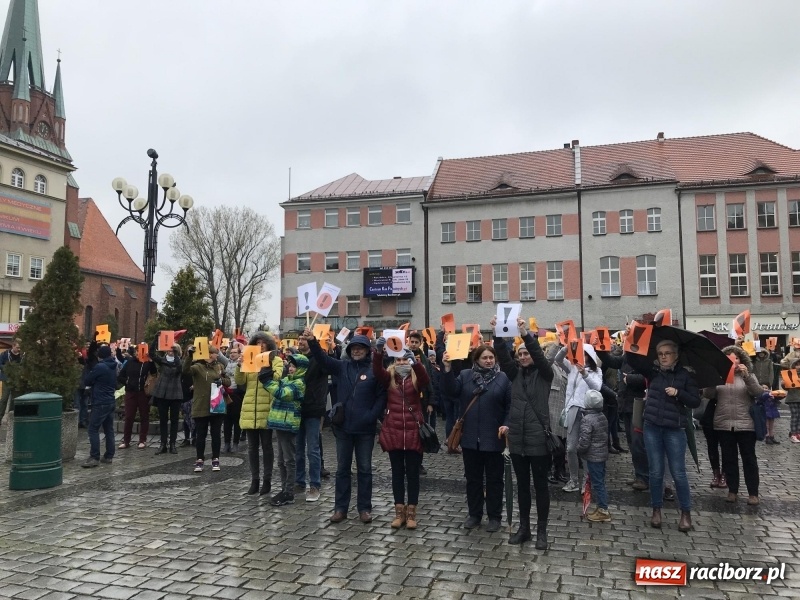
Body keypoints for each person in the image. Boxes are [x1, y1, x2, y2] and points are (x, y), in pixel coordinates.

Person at [305, 328, 386, 524]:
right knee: (342, 469)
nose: (357, 351)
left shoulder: (374, 370)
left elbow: (382, 396)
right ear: (349, 350)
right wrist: (313, 342)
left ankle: (364, 509)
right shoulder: (342, 367)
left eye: (361, 348)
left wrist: (371, 416)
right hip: (343, 428)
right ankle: (340, 508)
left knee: (365, 469)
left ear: (368, 350)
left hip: (365, 429)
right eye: (354, 348)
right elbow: (323, 359)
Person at [494, 317, 553, 548]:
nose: (522, 356)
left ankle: (542, 532)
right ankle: (524, 528)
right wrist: (499, 333)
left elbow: (539, 355)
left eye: (525, 353)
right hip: (518, 439)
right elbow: (502, 353)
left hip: (539, 439)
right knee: (522, 487)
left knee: (541, 486)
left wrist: (526, 335)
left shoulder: (545, 373)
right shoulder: (514, 374)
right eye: (519, 354)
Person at [629, 340, 700, 532]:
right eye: (660, 353)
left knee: (678, 472)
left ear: (676, 355)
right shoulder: (653, 373)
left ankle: (685, 513)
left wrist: (678, 393)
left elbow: (695, 401)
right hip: (652, 427)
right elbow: (632, 360)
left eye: (668, 353)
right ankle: (656, 510)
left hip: (674, 429)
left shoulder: (685, 375)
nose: (663, 356)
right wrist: (632, 340)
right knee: (655, 471)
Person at [442, 343, 511, 533]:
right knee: (473, 479)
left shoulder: (503, 378)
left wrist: (507, 424)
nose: (488, 361)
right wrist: (447, 369)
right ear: (476, 360)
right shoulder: (465, 376)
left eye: (491, 357)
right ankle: (475, 514)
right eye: (484, 358)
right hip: (471, 438)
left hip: (493, 438)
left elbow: (509, 406)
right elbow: (450, 392)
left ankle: (495, 516)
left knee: (495, 480)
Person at [373, 342, 430, 530]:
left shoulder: (415, 376)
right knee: (397, 473)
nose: (402, 362)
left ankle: (412, 513)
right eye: (399, 359)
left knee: (413, 474)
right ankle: (399, 512)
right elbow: (376, 371)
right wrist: (378, 352)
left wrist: (416, 364)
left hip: (414, 430)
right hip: (394, 431)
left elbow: (425, 381)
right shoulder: (389, 376)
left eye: (405, 359)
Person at [704, 345, 763, 505]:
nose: (733, 360)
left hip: (745, 424)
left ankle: (753, 493)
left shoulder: (748, 375)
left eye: (736, 357)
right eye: (729, 358)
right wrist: (711, 379)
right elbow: (708, 395)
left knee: (749, 459)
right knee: (729, 459)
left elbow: (758, 393)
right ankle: (732, 490)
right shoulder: (720, 376)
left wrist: (747, 377)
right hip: (723, 424)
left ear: (741, 360)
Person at [237, 332, 283, 495]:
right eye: (257, 342)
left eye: (264, 342)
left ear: (269, 344)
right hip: (250, 408)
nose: (261, 345)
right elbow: (241, 382)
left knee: (267, 446)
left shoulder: (275, 360)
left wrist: (266, 366)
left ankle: (267, 480)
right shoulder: (250, 360)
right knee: (251, 448)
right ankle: (254, 480)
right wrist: (240, 366)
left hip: (267, 407)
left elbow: (277, 378)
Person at [555, 343, 603, 493]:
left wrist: (585, 374)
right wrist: (565, 347)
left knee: (586, 449)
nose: (582, 357)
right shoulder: (572, 367)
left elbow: (597, 388)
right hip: (572, 410)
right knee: (570, 448)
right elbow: (558, 359)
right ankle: (573, 479)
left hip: (588, 412)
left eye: (585, 354)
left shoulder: (596, 371)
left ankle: (587, 482)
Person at [261, 353, 308, 506]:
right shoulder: (286, 380)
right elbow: (277, 387)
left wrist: (267, 382)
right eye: (290, 366)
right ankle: (284, 489)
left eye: (295, 366)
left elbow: (283, 394)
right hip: (279, 422)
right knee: (281, 461)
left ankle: (289, 491)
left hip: (288, 424)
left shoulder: (300, 383)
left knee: (289, 460)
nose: (291, 369)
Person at [184, 344, 230, 473]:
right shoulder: (197, 368)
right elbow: (185, 371)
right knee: (201, 435)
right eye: (216, 353)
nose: (217, 355)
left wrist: (222, 380)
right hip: (201, 405)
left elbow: (228, 381)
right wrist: (189, 356)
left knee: (216, 435)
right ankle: (199, 460)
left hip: (217, 405)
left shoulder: (219, 367)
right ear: (210, 354)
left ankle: (215, 459)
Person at [294, 335, 327, 503]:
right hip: (297, 408)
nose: (300, 342)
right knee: (298, 449)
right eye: (299, 339)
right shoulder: (295, 359)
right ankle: (299, 482)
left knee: (312, 449)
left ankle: (315, 485)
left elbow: (327, 362)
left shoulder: (318, 359)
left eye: (303, 340)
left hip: (313, 409)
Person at [82, 345, 118, 468]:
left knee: (93, 429)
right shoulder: (114, 365)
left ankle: (94, 457)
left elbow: (87, 380)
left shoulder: (100, 367)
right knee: (109, 429)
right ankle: (109, 455)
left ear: (101, 355)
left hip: (100, 401)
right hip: (110, 400)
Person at [578, 390, 611, 522]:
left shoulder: (587, 419)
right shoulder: (602, 416)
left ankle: (603, 509)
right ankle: (601, 507)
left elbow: (585, 440)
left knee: (597, 483)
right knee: (600, 481)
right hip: (602, 455)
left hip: (593, 457)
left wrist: (578, 449)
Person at [117, 345, 157, 450]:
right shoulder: (130, 362)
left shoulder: (147, 363)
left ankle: (142, 440)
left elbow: (154, 373)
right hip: (131, 392)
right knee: (129, 416)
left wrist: (151, 360)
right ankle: (126, 441)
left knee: (144, 415)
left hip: (142, 392)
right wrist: (127, 383)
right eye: (139, 351)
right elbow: (121, 376)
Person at [150, 340, 184, 455]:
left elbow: (180, 368)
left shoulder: (179, 361)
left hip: (175, 393)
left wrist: (176, 353)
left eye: (173, 349)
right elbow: (152, 354)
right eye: (169, 348)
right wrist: (156, 339)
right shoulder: (162, 361)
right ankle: (163, 444)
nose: (170, 350)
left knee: (174, 420)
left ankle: (173, 444)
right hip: (162, 393)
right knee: (163, 420)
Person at [223, 345, 243, 453]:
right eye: (231, 352)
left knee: (236, 419)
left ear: (239, 354)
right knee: (226, 420)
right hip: (226, 393)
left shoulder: (242, 364)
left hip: (237, 393)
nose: (232, 354)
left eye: (235, 352)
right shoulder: (226, 363)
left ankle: (235, 443)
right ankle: (226, 443)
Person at [0, 339, 21, 424]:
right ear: (13, 346)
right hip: (7, 379)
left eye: (20, 348)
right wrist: (6, 368)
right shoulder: (5, 354)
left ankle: (11, 417)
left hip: (16, 379)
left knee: (14, 399)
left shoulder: (22, 356)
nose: (19, 349)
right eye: (17, 347)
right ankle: (0, 417)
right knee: (4, 399)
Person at [784, 359, 800, 443]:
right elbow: (785, 386)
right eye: (797, 365)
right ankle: (793, 433)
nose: (798, 367)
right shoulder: (790, 374)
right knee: (795, 416)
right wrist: (785, 383)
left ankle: (798, 433)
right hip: (793, 398)